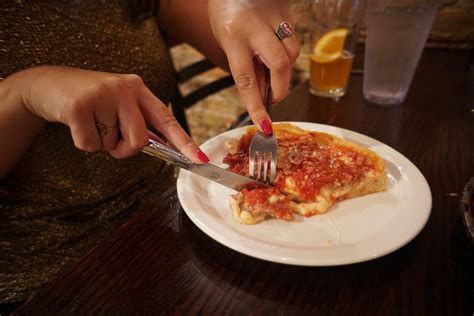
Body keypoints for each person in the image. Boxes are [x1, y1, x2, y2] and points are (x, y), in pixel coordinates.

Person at [0, 0, 299, 305]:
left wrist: (237, 12)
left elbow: (244, 52)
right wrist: (24, 93)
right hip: (48, 277)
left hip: (166, 221)